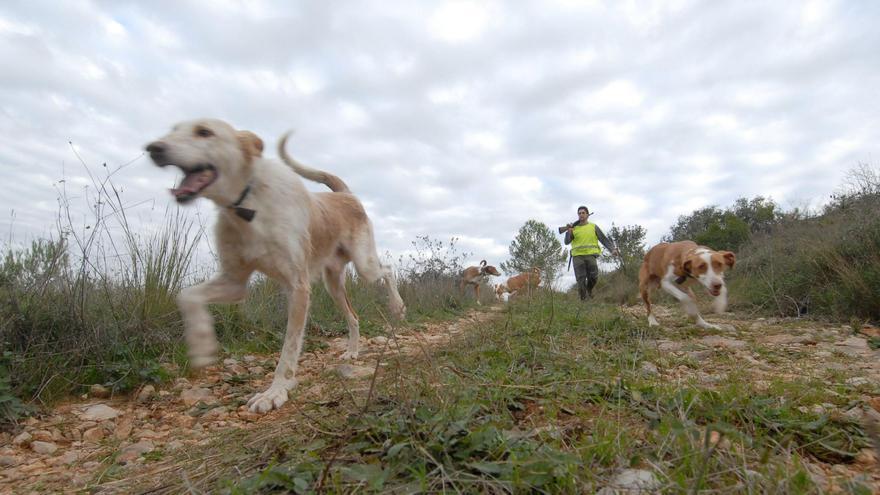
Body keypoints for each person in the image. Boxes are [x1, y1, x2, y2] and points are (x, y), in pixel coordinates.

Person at [564, 206, 619, 301]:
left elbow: (603, 239)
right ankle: (583, 301)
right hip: (577, 257)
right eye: (579, 213)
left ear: (587, 215)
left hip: (591, 256)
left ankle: (589, 290)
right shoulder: (573, 228)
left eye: (583, 213)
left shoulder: (593, 226)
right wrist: (569, 232)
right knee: (580, 280)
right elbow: (566, 242)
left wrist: (612, 249)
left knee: (594, 277)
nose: (581, 215)